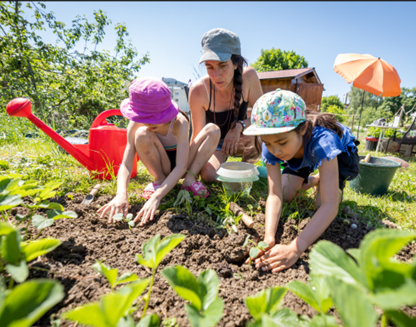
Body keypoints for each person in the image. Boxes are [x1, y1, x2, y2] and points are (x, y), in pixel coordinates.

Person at [243, 89, 360, 272]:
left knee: (322, 203)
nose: (276, 151)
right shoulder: (273, 146)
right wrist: (269, 237)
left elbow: (330, 206)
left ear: (303, 128)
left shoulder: (324, 141)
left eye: (282, 142)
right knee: (287, 192)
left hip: (339, 154)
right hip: (300, 152)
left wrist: (295, 247)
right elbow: (275, 194)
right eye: (267, 143)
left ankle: (329, 179)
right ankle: (317, 178)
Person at [97, 77, 220, 226]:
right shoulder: (136, 123)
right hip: (162, 163)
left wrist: (156, 197)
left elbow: (181, 165)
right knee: (142, 134)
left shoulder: (179, 122)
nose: (149, 123)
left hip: (183, 162)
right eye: (145, 117)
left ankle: (190, 180)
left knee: (213, 129)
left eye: (155, 117)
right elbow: (126, 163)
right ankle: (159, 179)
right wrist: (121, 193)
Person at [188, 28, 263, 181]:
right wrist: (187, 168)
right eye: (210, 67)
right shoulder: (198, 91)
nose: (216, 75)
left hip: (244, 139)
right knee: (208, 174)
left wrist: (239, 126)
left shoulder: (248, 77)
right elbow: (198, 137)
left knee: (260, 133)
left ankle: (249, 168)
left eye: (223, 65)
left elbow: (264, 116)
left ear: (236, 64)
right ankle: (242, 173)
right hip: (215, 145)